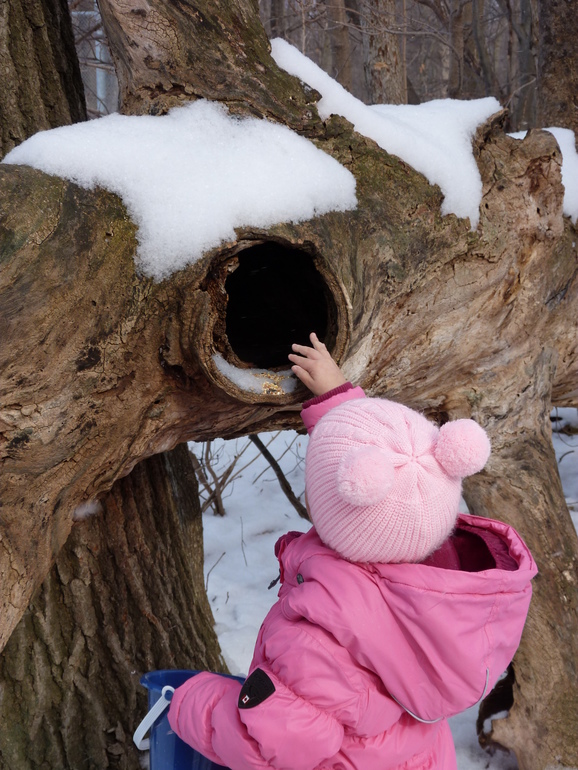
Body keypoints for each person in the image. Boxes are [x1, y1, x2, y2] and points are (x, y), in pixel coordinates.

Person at [168, 333, 537, 770]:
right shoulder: (448, 582)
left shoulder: (321, 636)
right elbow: (385, 467)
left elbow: (265, 745)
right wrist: (338, 398)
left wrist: (190, 702)